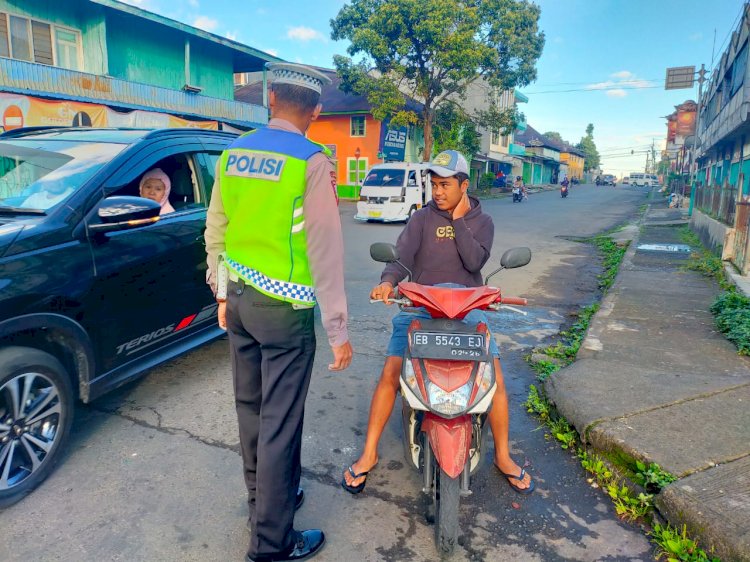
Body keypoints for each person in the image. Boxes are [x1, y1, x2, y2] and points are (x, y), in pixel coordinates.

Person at [204, 62, 353, 562]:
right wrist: (338, 330)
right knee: (281, 423)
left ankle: (265, 502)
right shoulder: (310, 161)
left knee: (252, 411)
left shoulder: (233, 152)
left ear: (269, 100)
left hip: (242, 301)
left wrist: (222, 292)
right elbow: (325, 252)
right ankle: (272, 542)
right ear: (314, 110)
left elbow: (217, 229)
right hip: (285, 310)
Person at [341, 150, 534, 497]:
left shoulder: (482, 221)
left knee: (496, 382)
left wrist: (459, 221)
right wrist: (388, 281)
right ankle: (368, 452)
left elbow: (474, 259)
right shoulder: (420, 219)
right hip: (419, 307)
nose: (438, 192)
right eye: (434, 184)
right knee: (390, 374)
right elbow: (401, 259)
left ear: (463, 184)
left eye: (445, 184)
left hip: (467, 308)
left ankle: (503, 456)